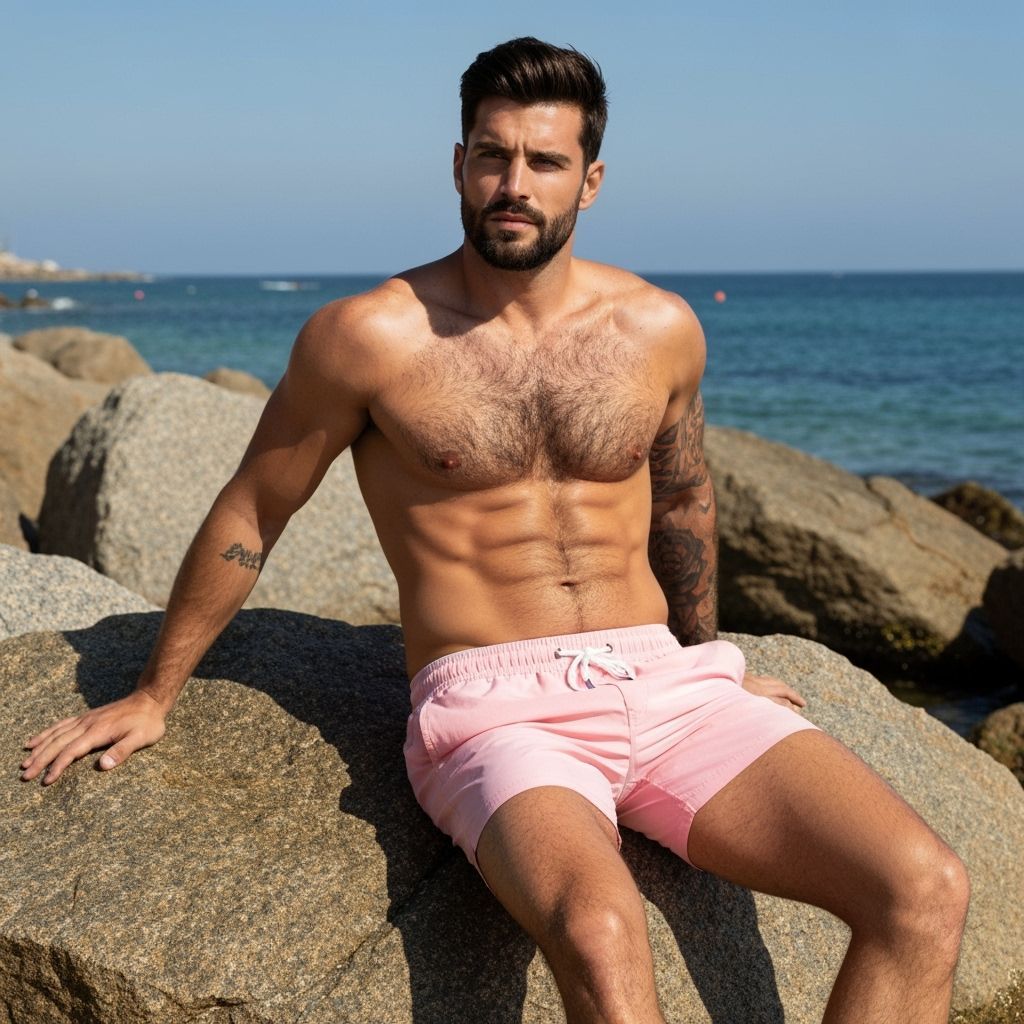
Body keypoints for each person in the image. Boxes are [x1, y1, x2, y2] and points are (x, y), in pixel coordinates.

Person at [21, 36, 968, 1024]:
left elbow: (683, 498)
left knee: (924, 888)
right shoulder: (371, 336)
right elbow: (255, 506)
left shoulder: (659, 328)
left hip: (667, 684)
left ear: (589, 180)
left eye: (544, 162)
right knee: (603, 937)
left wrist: (710, 656)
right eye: (491, 154)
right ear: (459, 162)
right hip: (497, 711)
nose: (513, 183)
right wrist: (153, 690)